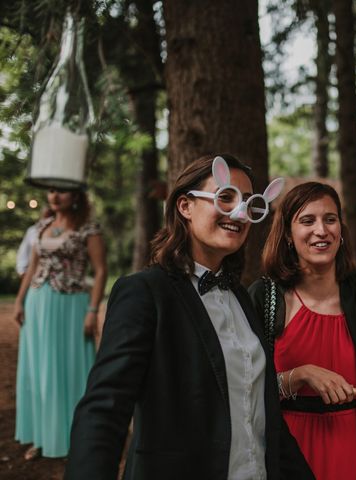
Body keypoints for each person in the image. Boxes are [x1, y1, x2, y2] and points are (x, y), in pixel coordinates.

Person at [64, 155, 313, 480]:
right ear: (185, 206)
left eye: (249, 204)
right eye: (225, 197)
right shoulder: (144, 292)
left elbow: (263, 414)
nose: (238, 213)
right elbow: (105, 408)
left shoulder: (241, 297)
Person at [249, 182, 356, 480]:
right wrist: (300, 375)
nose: (321, 230)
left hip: (354, 443)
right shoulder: (265, 296)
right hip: (287, 447)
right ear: (288, 234)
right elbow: (246, 387)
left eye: (330, 219)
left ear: (341, 229)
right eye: (307, 220)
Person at [13, 188, 107, 460]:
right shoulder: (41, 226)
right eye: (51, 191)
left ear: (76, 197)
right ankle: (41, 436)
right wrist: (20, 300)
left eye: (62, 191)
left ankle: (75, 438)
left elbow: (101, 271)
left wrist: (92, 310)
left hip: (72, 305)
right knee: (38, 369)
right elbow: (31, 268)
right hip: (37, 303)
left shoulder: (89, 230)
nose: (55, 196)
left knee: (70, 369)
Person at [15, 208, 53, 277]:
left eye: (49, 215)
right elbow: (23, 251)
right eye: (44, 216)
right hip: (33, 274)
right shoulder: (33, 231)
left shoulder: (59, 231)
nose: (47, 219)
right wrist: (22, 271)